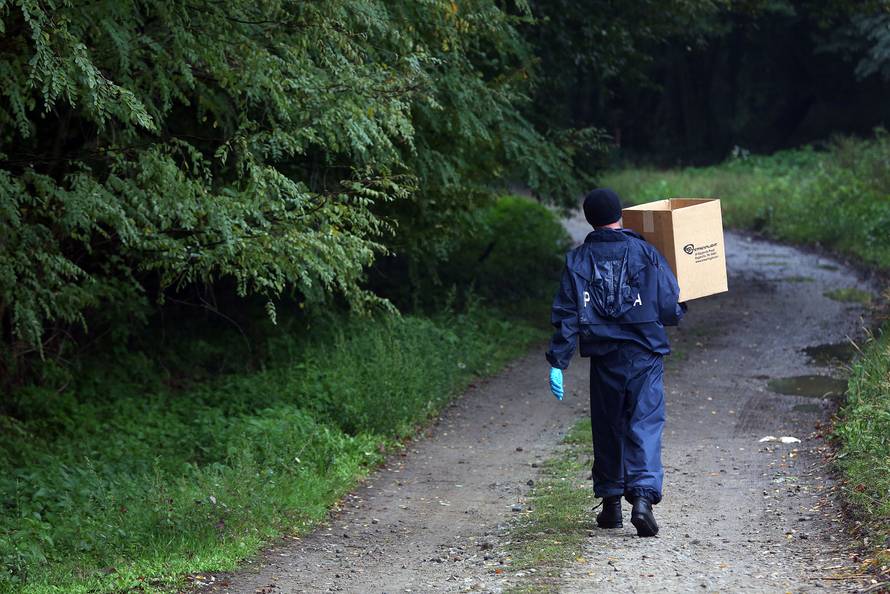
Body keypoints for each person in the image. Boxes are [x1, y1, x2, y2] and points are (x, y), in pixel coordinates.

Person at [546, 188, 685, 537]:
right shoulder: (646, 251)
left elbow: (566, 315)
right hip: (645, 354)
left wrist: (558, 361)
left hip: (605, 357)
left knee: (608, 425)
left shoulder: (578, 261)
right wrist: (678, 310)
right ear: (620, 215)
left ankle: (611, 506)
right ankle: (641, 499)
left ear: (589, 219)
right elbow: (670, 305)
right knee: (645, 422)